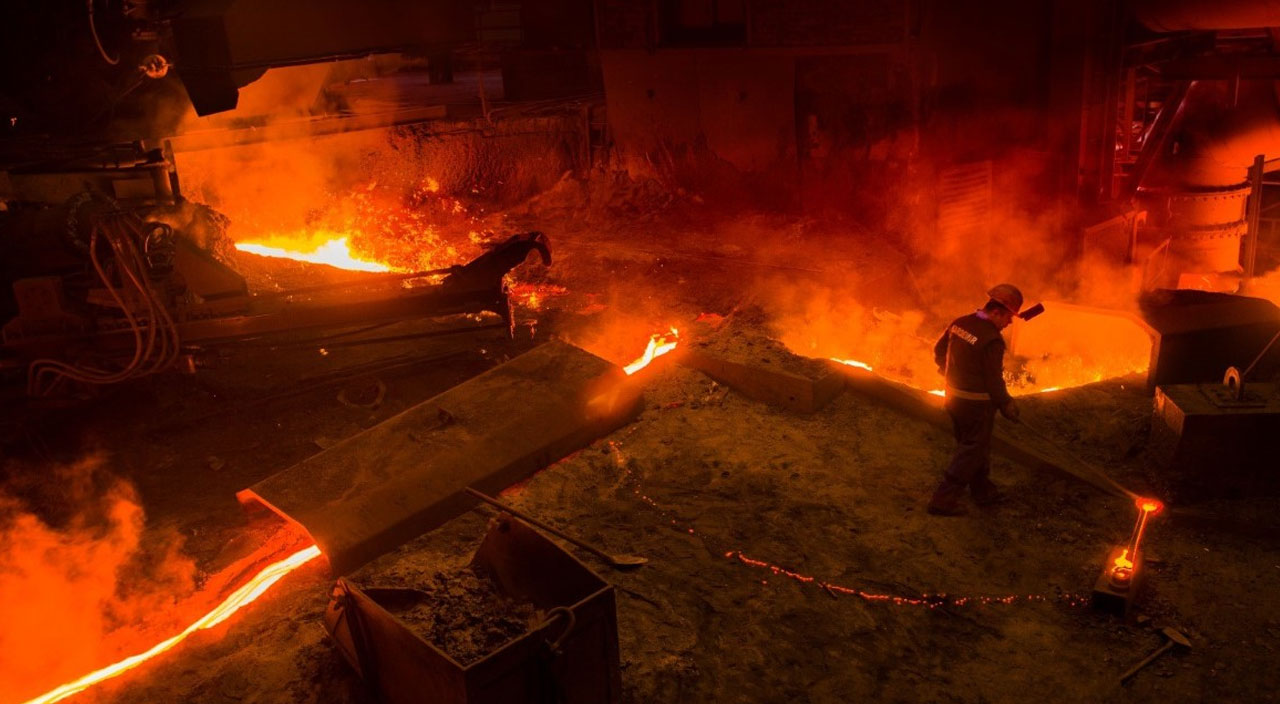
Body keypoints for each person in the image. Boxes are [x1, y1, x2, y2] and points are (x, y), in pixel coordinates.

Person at [927, 284, 1024, 516]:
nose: (1009, 323)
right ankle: (943, 500)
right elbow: (993, 380)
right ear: (997, 312)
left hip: (952, 398)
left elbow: (939, 350)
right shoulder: (992, 340)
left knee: (973, 445)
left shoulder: (960, 323)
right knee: (971, 448)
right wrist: (1006, 404)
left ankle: (983, 491)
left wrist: (947, 372)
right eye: (1009, 318)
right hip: (975, 405)